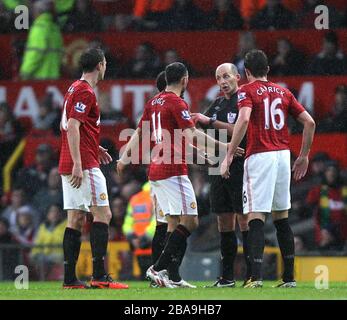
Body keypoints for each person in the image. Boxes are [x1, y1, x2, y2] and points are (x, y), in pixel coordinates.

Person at [117, 62, 228, 288]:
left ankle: (172, 277)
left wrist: (124, 157)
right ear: (185, 79)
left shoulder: (153, 103)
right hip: (172, 170)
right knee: (191, 220)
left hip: (156, 171)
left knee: (172, 223)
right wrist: (223, 147)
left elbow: (140, 132)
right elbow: (192, 134)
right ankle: (158, 268)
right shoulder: (177, 103)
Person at [221, 49, 315, 288]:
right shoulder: (283, 92)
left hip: (260, 155)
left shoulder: (246, 91)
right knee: (282, 217)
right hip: (283, 155)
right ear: (268, 70)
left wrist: (229, 153)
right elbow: (309, 122)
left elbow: (243, 119)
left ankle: (255, 277)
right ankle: (290, 278)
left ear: (247, 72)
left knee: (255, 215)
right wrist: (303, 156)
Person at [59, 47, 128, 289]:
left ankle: (69, 279)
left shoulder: (73, 88)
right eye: (105, 63)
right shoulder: (85, 91)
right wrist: (80, 162)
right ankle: (100, 276)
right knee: (103, 214)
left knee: (75, 218)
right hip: (83, 164)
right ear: (100, 64)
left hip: (73, 159)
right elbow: (73, 127)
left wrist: (94, 147)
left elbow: (77, 126)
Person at [191, 63, 251, 287]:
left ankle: (251, 275)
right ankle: (227, 277)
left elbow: (243, 128)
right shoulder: (216, 104)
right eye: (218, 78)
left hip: (240, 165)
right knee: (224, 222)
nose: (222, 81)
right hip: (217, 167)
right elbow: (201, 129)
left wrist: (210, 122)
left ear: (237, 76)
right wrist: (200, 150)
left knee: (244, 221)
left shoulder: (245, 100)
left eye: (226, 76)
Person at [19, 0, 63, 80]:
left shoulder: (39, 28)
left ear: (38, 11)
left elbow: (35, 54)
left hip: (37, 78)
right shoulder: (55, 29)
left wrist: (25, 72)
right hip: (54, 78)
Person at [122, 182, 156, 280]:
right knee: (156, 275)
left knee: (143, 275)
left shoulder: (135, 199)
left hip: (137, 244)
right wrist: (146, 237)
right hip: (152, 242)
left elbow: (128, 222)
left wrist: (132, 237)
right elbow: (157, 220)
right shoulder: (156, 196)